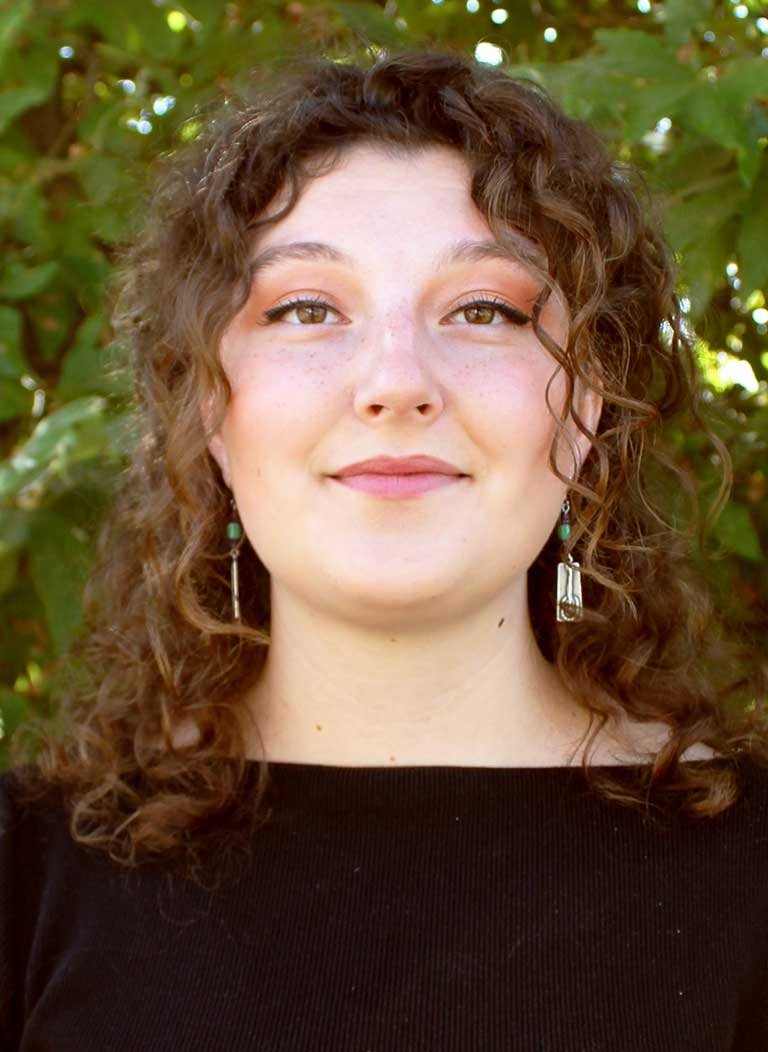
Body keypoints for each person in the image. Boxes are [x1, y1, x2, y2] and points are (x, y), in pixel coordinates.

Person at [1, 49, 767, 1051]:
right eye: (306, 308)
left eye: (484, 309)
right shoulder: (30, 869)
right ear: (210, 413)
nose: (396, 382)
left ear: (587, 409)